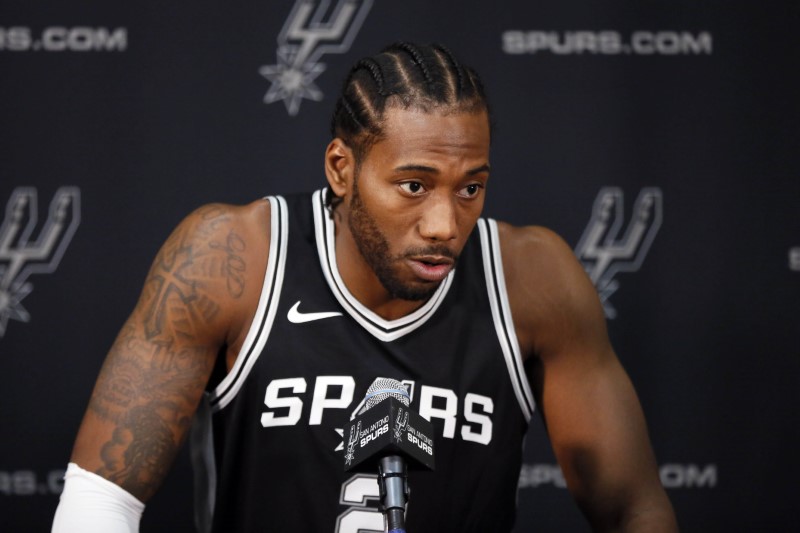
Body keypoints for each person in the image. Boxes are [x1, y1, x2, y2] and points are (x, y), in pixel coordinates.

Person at [52, 42, 677, 532]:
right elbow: (102, 498)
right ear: (341, 169)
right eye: (413, 185)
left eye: (470, 188)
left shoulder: (533, 280)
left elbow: (632, 510)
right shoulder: (232, 257)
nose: (445, 225)